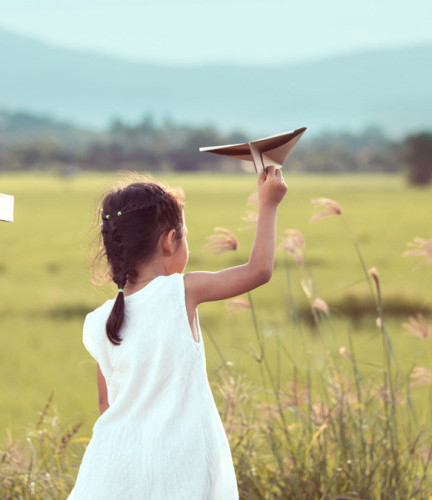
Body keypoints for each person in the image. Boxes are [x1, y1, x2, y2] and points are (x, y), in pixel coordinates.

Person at [70, 167, 288, 499]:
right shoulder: (180, 292)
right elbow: (259, 270)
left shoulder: (99, 321)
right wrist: (268, 205)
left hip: (111, 470)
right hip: (178, 470)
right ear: (170, 241)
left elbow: (106, 404)